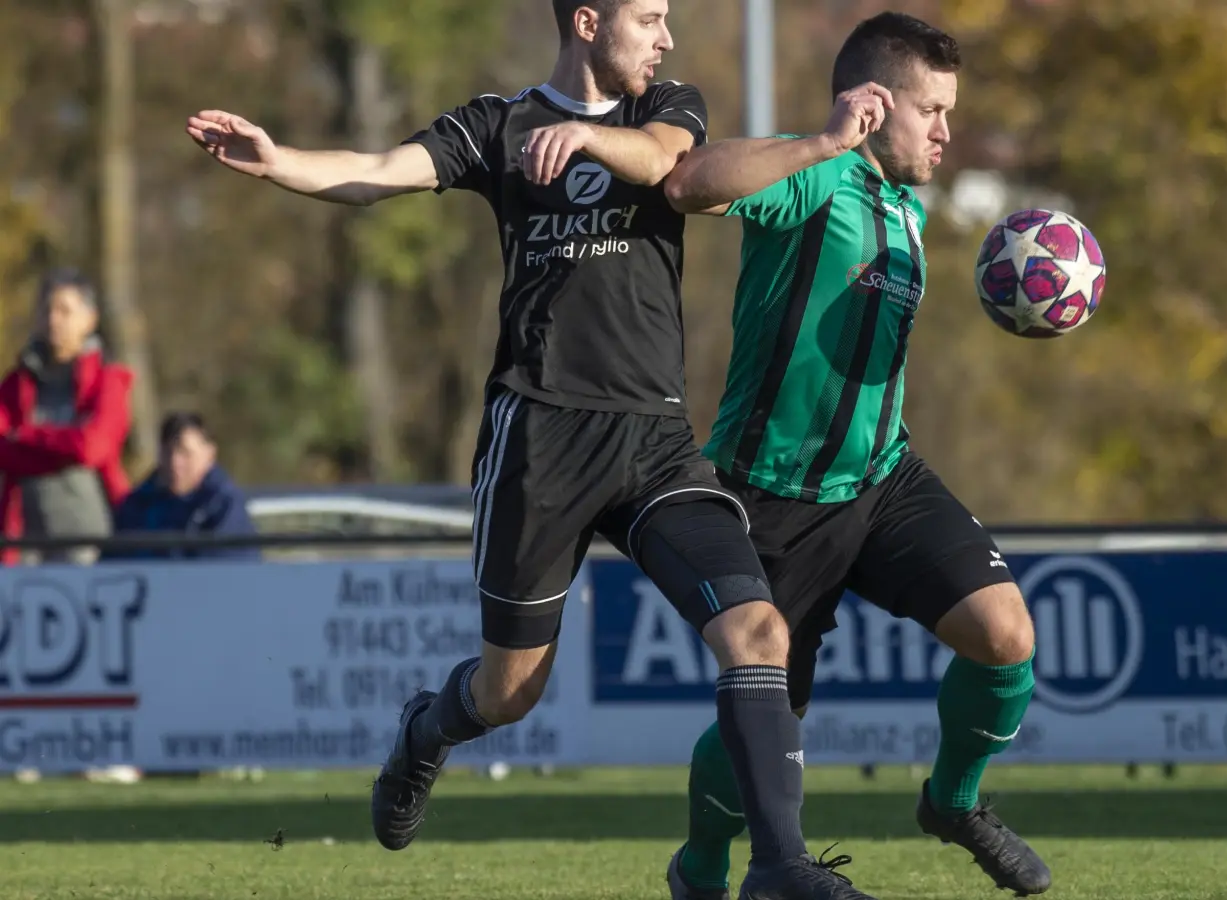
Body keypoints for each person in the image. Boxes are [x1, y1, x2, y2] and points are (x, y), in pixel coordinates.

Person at [186, 2, 871, 898]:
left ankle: (779, 870)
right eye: (649, 17)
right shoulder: (496, 126)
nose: (665, 37)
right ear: (588, 20)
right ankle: (427, 731)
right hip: (540, 439)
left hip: (655, 438)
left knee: (757, 631)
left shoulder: (667, 106)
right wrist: (279, 163)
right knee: (512, 693)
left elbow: (670, 166)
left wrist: (588, 144)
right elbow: (375, 170)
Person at [662, 12, 1054, 899]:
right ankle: (702, 867)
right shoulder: (816, 178)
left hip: (882, 479)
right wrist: (821, 138)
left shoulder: (910, 207)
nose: (948, 130)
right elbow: (691, 182)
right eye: (932, 109)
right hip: (772, 498)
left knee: (1005, 636)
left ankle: (953, 803)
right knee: (761, 723)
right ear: (875, 105)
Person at [0, 269, 132, 566]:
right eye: (47, 309)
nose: (53, 319)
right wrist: (64, 447)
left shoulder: (107, 380)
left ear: (89, 319)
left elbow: (93, 447)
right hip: (23, 542)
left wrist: (26, 437)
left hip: (91, 541)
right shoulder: (16, 382)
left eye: (64, 310)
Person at [104, 411, 259, 561]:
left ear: (210, 454)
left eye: (185, 453)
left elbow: (226, 573)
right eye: (167, 452)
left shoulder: (224, 506)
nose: (175, 463)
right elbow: (110, 564)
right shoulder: (136, 505)